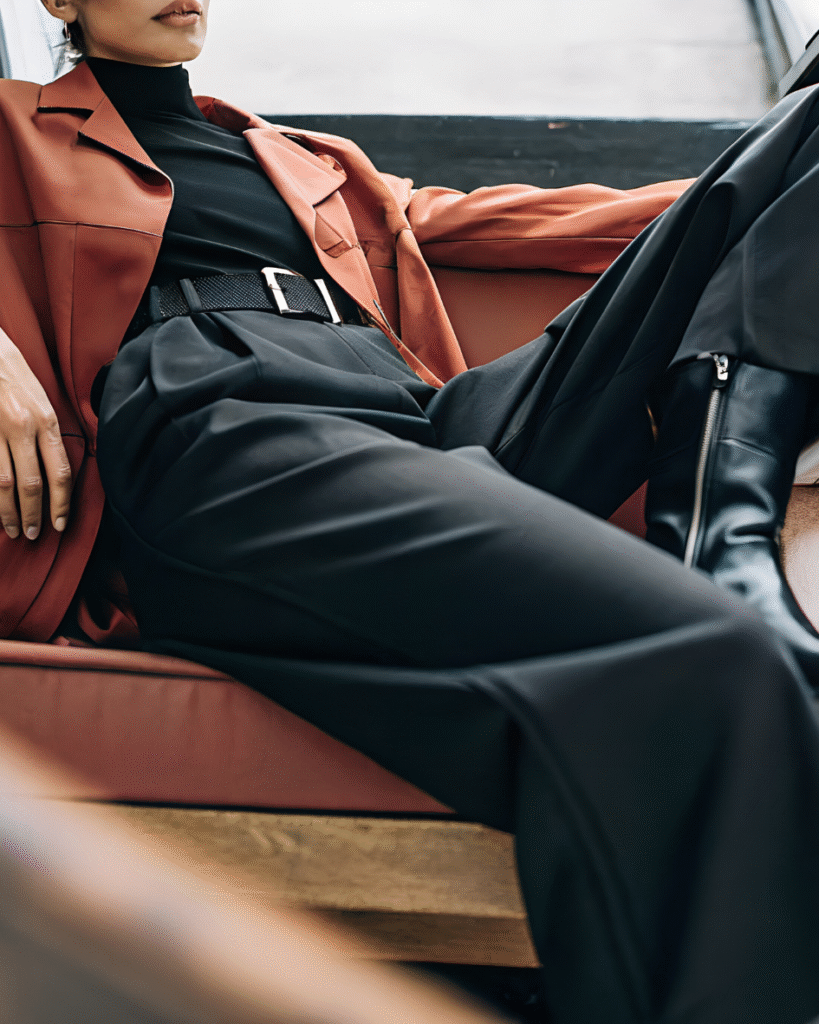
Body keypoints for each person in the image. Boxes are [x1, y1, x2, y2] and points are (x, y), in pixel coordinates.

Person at [2, 1, 819, 1021]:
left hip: (427, 418)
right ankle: (717, 559)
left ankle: (716, 520)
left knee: (806, 133)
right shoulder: (17, 124)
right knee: (717, 654)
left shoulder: (311, 159)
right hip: (230, 410)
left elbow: (558, 222)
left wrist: (761, 184)